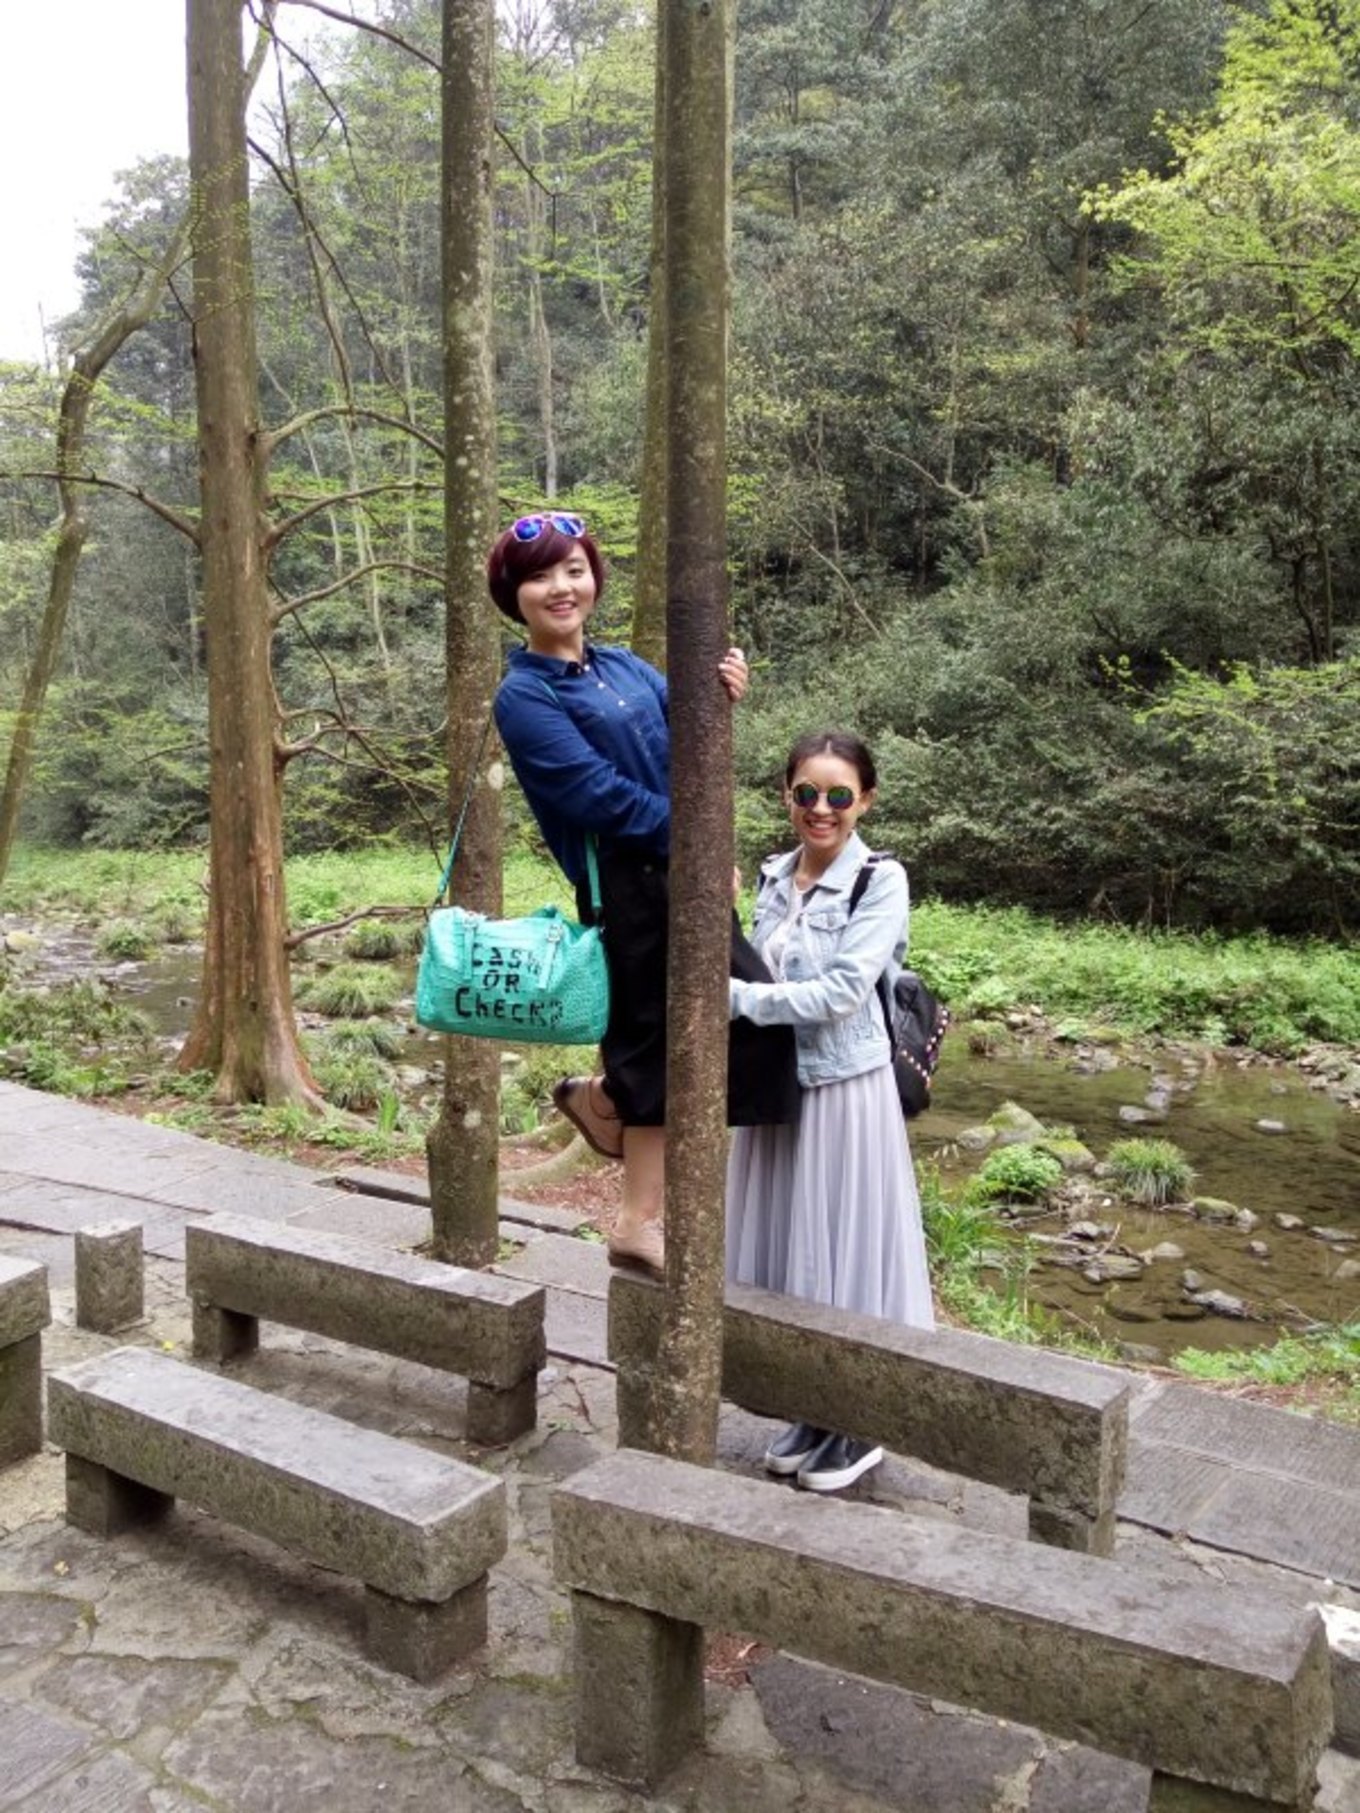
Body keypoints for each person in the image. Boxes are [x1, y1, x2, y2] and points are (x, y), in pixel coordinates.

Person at [488, 510, 798, 1281]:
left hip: (681, 869)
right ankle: (635, 1222)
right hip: (625, 886)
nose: (562, 587)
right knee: (658, 1047)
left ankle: (606, 1098)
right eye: (540, 576)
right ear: (514, 596)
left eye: (574, 569)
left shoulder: (625, 667)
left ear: (593, 577)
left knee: (751, 1023)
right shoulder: (523, 696)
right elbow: (596, 795)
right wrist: (696, 845)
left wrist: (722, 690)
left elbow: (691, 735)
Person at [726, 730, 936, 1493]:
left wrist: (734, 1000)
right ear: (787, 795)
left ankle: (860, 1418)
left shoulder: (881, 879)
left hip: (846, 1086)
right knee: (793, 1248)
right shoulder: (771, 875)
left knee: (844, 1247)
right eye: (807, 793)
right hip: (778, 1088)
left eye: (839, 794)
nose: (822, 808)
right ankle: (811, 1404)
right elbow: (761, 960)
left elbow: (845, 990)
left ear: (865, 800)